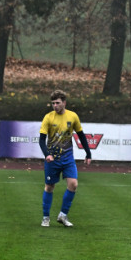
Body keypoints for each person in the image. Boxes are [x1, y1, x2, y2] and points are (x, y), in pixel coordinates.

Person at [39, 89, 91, 228]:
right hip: (52, 158)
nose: (54, 106)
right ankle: (45, 217)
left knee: (73, 184)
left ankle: (63, 215)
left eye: (57, 103)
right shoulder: (48, 117)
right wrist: (47, 154)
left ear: (64, 103)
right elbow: (41, 140)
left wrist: (88, 153)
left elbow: (81, 135)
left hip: (68, 157)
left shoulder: (73, 116)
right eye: (53, 103)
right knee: (49, 187)